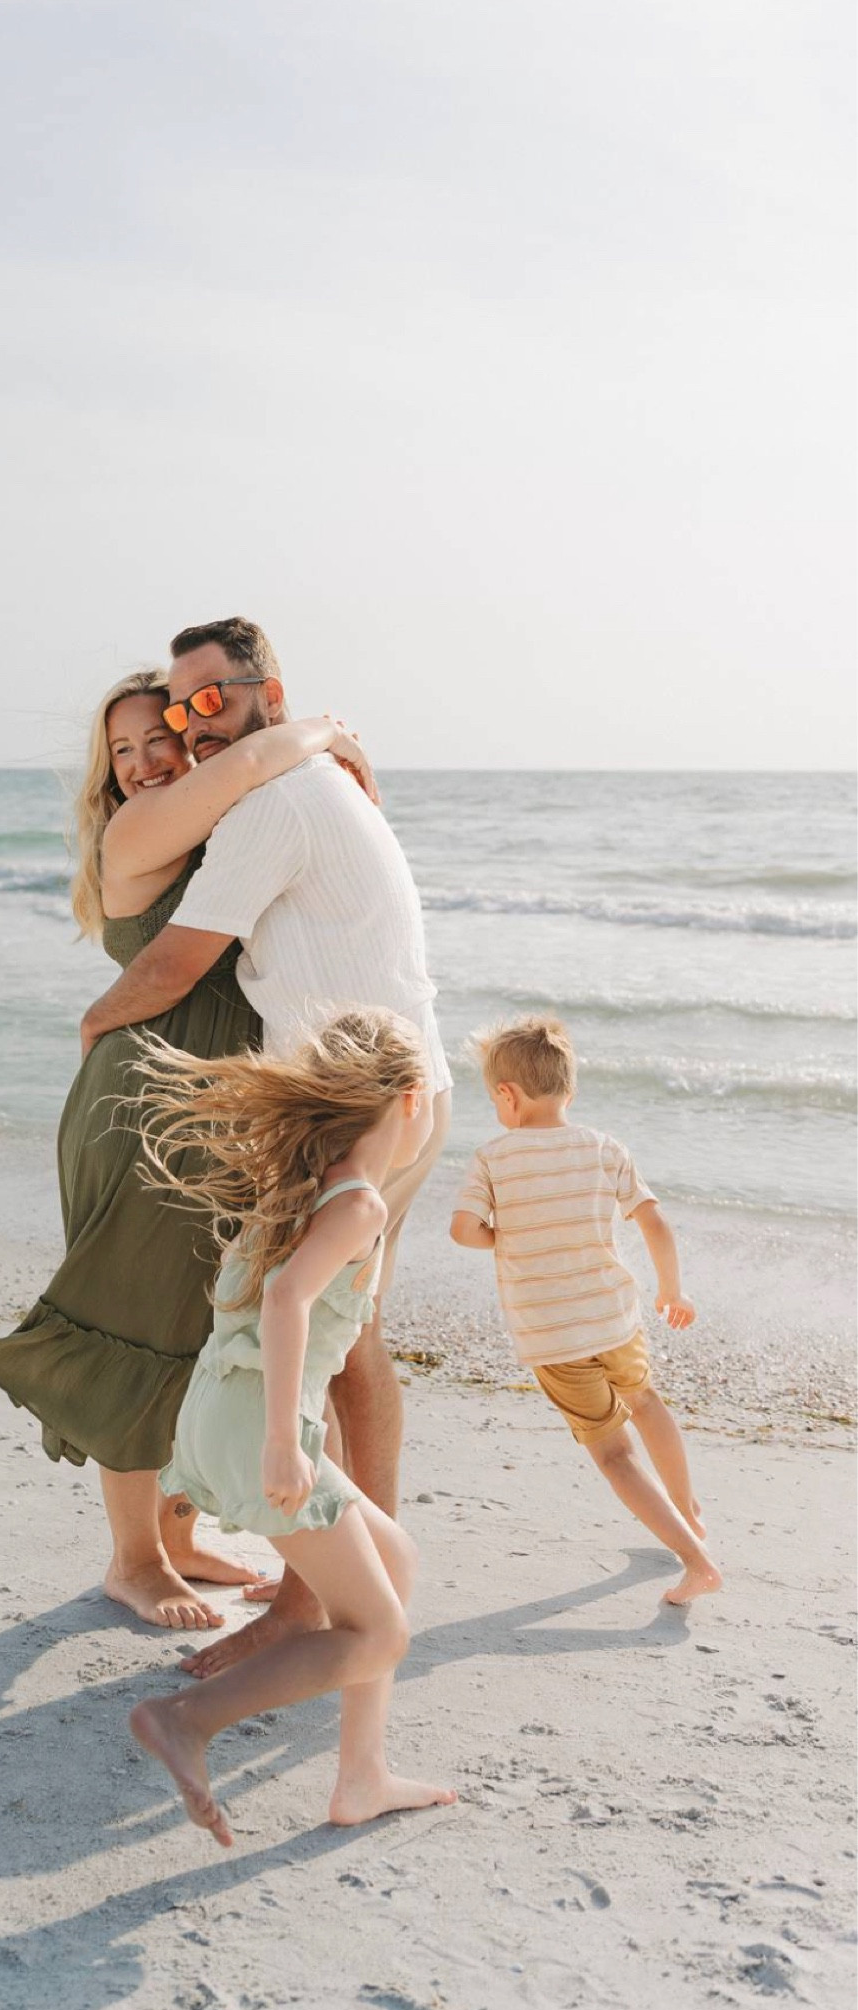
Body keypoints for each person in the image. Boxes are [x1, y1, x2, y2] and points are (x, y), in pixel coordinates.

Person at [79, 618, 452, 1678]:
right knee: (336, 1336)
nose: (190, 725)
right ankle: (337, 1581)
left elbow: (169, 966)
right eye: (176, 706)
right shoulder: (291, 785)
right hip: (378, 1091)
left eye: (210, 701)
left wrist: (92, 1024)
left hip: (356, 1107)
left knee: (299, 1336)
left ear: (263, 695)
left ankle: (320, 1597)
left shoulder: (274, 803)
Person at [0, 674, 376, 1631]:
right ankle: (134, 1558)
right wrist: (323, 729)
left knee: (199, 1329)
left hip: (226, 1109)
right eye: (123, 751)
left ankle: (180, 1531)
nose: (149, 760)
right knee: (135, 1319)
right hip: (146, 1108)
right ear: (105, 777)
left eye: (162, 736)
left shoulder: (237, 833)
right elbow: (257, 754)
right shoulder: (140, 830)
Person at [126, 1010, 457, 1845]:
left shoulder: (303, 1184)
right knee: (379, 1634)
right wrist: (282, 1437)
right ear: (412, 1101)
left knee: (396, 1557)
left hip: (223, 1409)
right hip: (258, 1421)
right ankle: (186, 1719)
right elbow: (284, 1300)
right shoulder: (359, 1204)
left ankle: (361, 1777)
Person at [450, 1014, 722, 1605]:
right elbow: (654, 1220)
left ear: (506, 1094)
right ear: (569, 1091)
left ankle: (697, 1561)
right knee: (646, 1402)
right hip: (614, 1316)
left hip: (553, 1334)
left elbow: (464, 1230)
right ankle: (687, 1510)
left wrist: (507, 1237)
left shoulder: (494, 1157)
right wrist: (671, 1292)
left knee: (613, 1451)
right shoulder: (603, 1147)